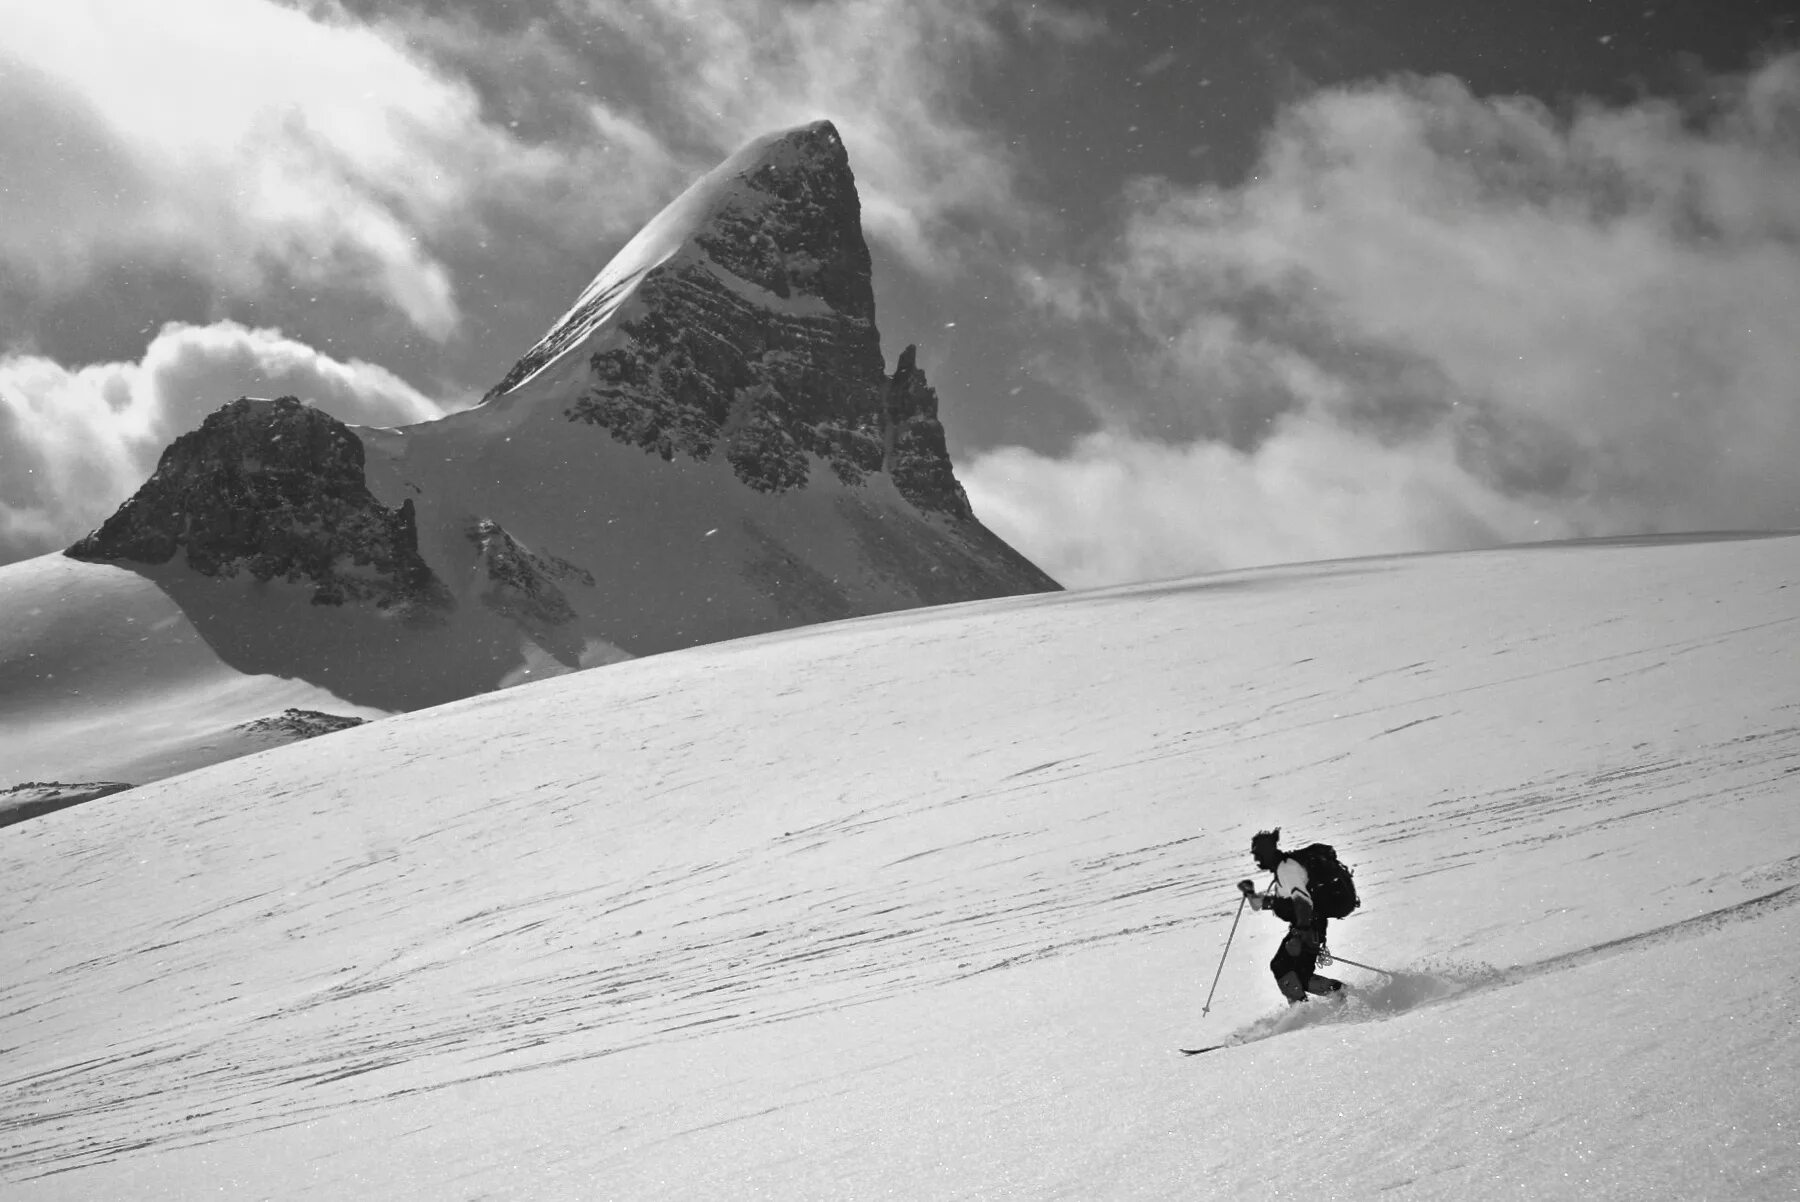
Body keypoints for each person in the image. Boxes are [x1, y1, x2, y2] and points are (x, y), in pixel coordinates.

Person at [1238, 828, 1344, 1004]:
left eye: (1258, 854)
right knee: (1298, 974)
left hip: (1309, 928)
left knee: (1282, 966)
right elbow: (1278, 904)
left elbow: (1304, 902)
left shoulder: (1287, 869)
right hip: (1310, 927)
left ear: (1267, 852)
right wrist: (1250, 894)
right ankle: (1340, 993)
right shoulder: (1282, 871)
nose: (1256, 859)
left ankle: (1301, 1011)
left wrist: (1300, 933)